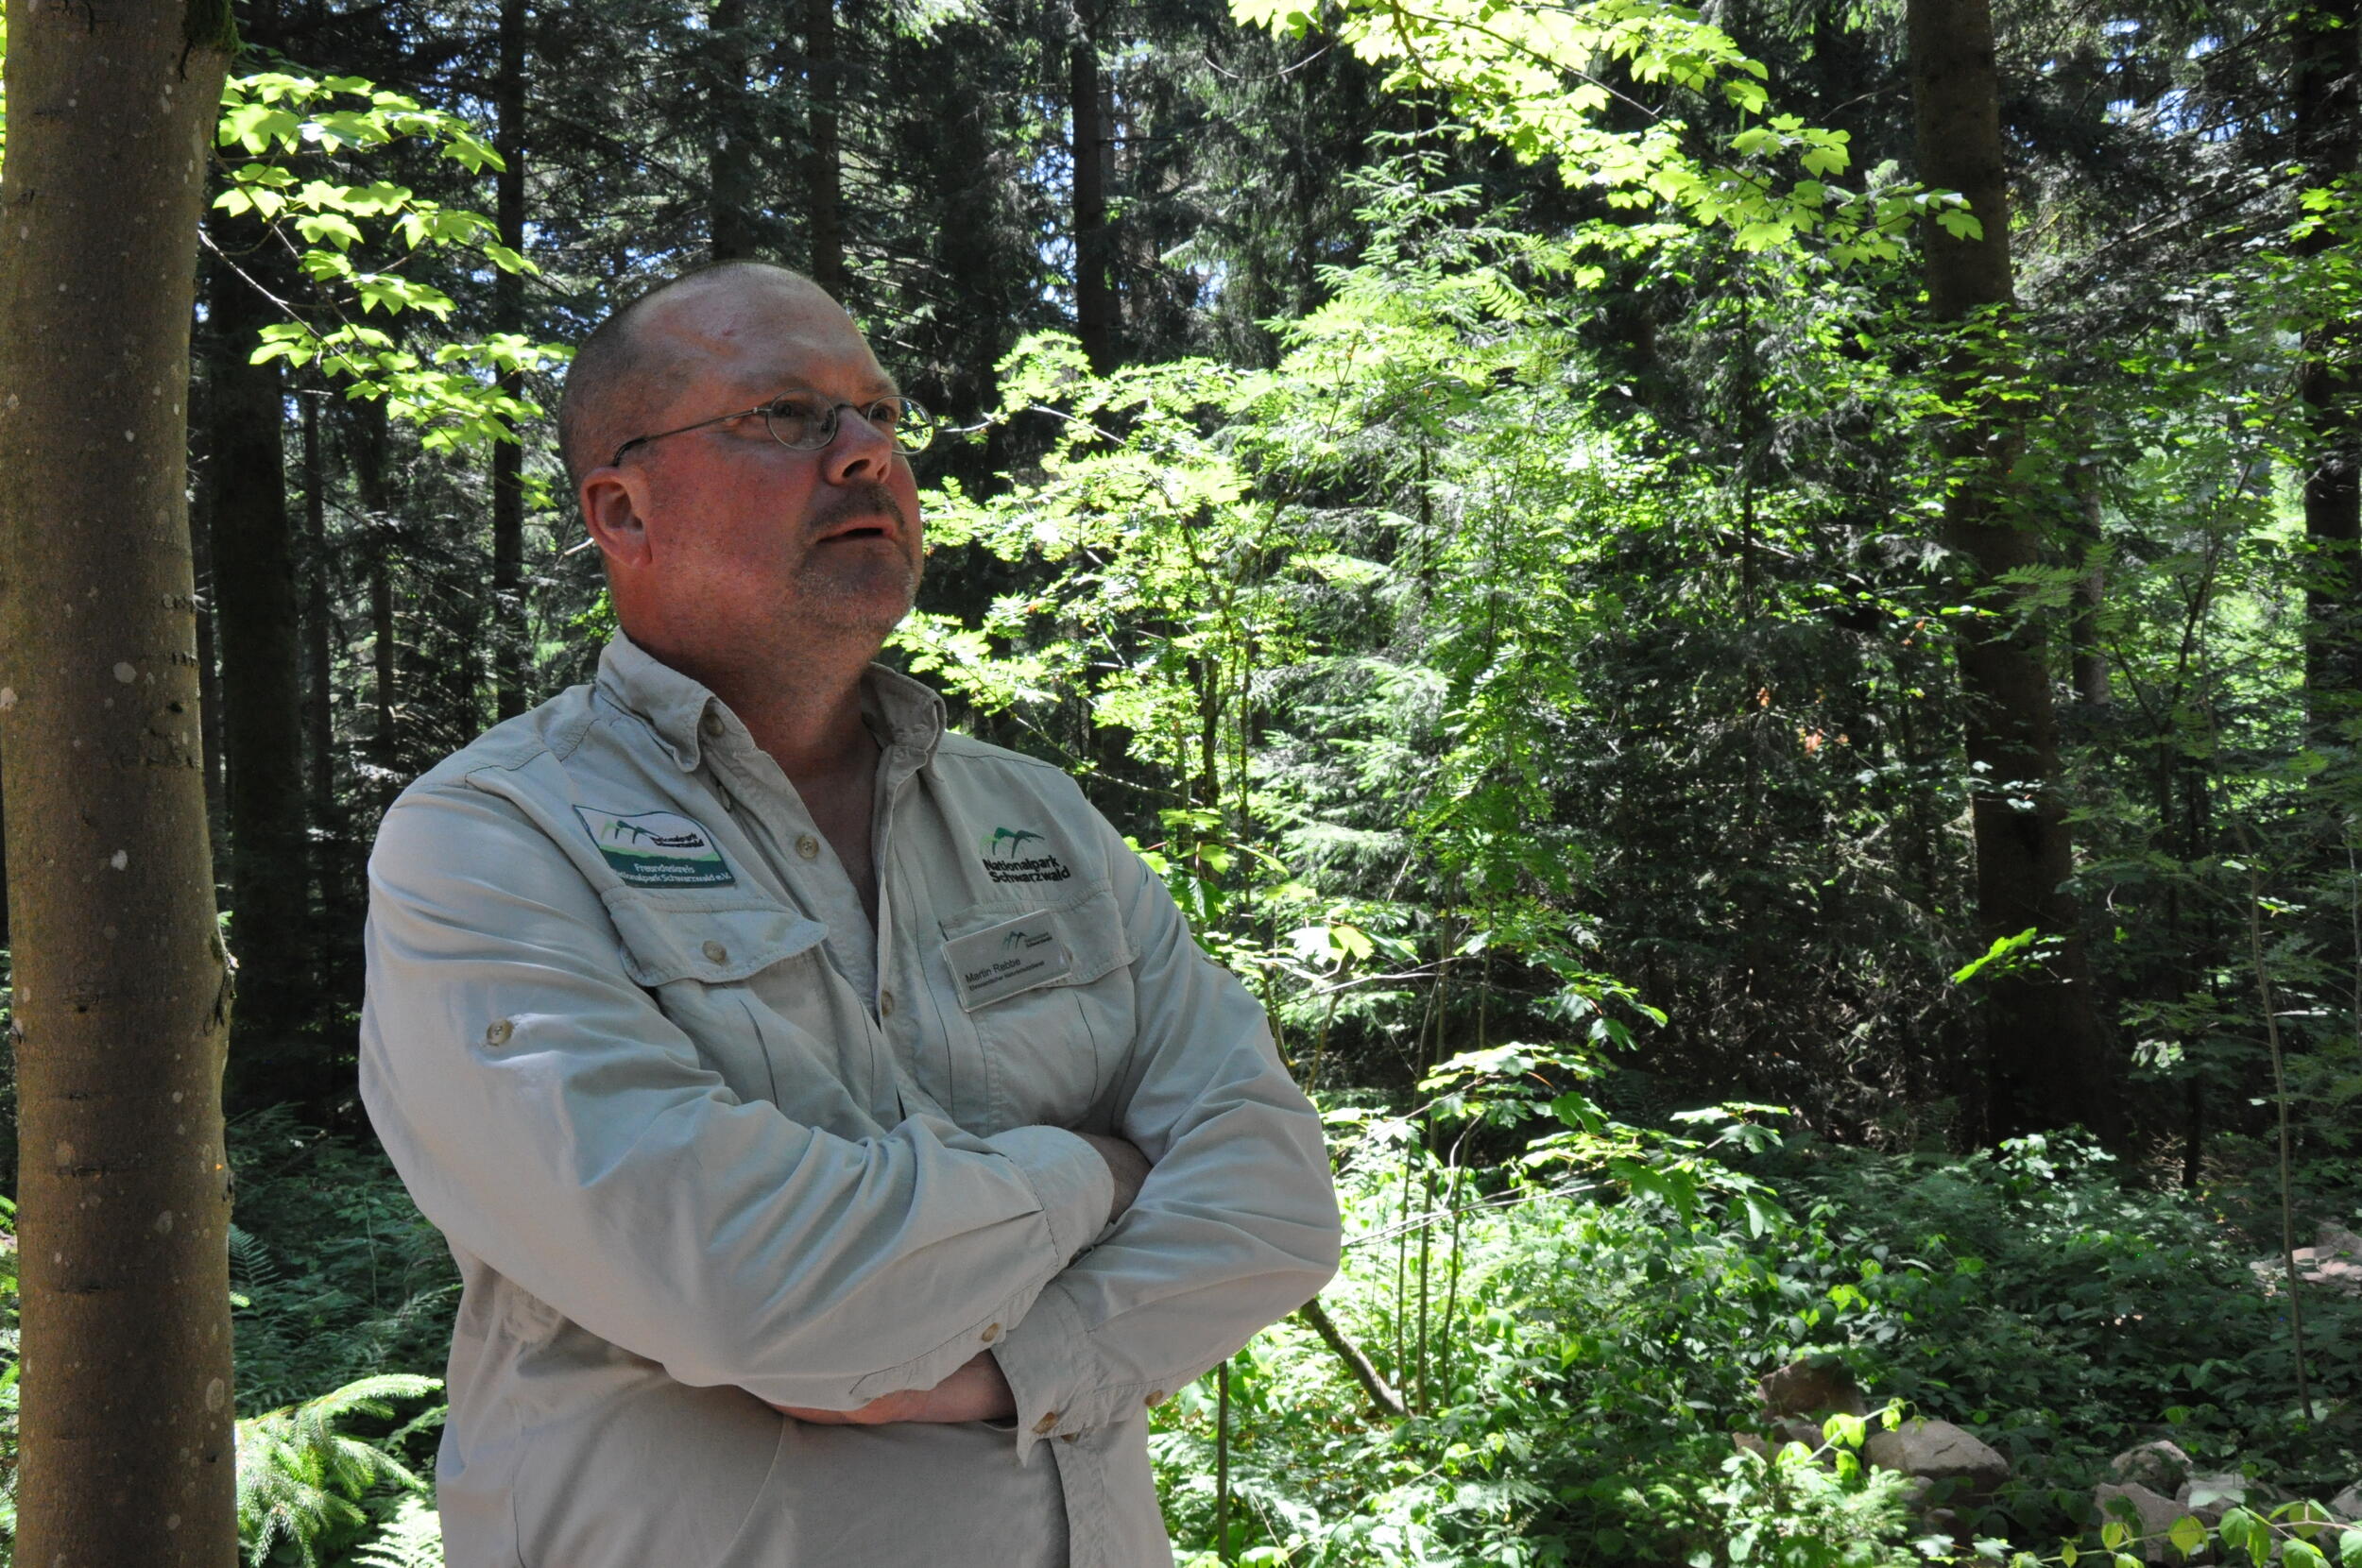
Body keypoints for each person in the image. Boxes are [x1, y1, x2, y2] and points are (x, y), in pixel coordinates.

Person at [357, 259, 1342, 1568]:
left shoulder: (1038, 821)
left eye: (878, 413)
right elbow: (743, 1283)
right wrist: (1096, 1171)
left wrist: (1007, 1368)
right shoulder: (490, 841)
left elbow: (1274, 1201)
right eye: (785, 416)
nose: (867, 453)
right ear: (622, 509)